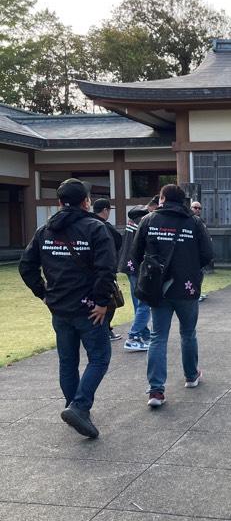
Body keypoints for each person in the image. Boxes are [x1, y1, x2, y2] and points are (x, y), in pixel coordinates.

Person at [18, 178, 116, 439]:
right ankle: (80, 407)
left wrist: (43, 294)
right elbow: (106, 269)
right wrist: (102, 302)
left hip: (59, 308)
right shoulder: (96, 228)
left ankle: (73, 406)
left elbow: (26, 267)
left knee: (68, 361)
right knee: (99, 358)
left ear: (60, 202)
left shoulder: (44, 231)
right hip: (89, 308)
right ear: (86, 202)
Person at [132, 184, 214, 408]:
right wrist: (190, 268)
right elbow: (208, 253)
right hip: (186, 287)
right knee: (188, 333)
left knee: (158, 336)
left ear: (163, 198)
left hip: (158, 287)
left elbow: (135, 252)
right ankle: (191, 375)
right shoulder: (194, 222)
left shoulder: (148, 221)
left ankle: (156, 391)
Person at [118, 196, 158, 351]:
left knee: (138, 302)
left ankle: (143, 333)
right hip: (137, 265)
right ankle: (134, 335)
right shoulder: (144, 217)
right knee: (144, 303)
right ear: (152, 206)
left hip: (128, 264)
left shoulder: (135, 214)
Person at [92, 199, 123, 341]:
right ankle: (106, 329)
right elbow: (118, 242)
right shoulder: (104, 227)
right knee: (109, 301)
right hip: (105, 270)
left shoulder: (86, 223)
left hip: (87, 272)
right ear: (105, 210)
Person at [191, 199, 209, 302]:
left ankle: (198, 292)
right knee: (195, 275)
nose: (197, 210)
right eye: (195, 207)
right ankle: (195, 294)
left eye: (199, 208)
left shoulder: (200, 221)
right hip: (193, 253)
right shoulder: (189, 221)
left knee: (201, 275)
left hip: (200, 253)